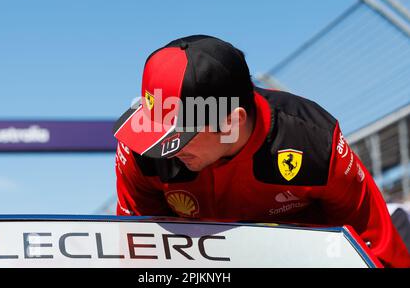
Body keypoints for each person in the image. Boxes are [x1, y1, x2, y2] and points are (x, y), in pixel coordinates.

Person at [112, 34, 410, 267]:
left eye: (175, 136)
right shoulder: (140, 150)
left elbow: (376, 249)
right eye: (154, 128)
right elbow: (139, 256)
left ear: (232, 121)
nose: (161, 150)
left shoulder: (312, 141)